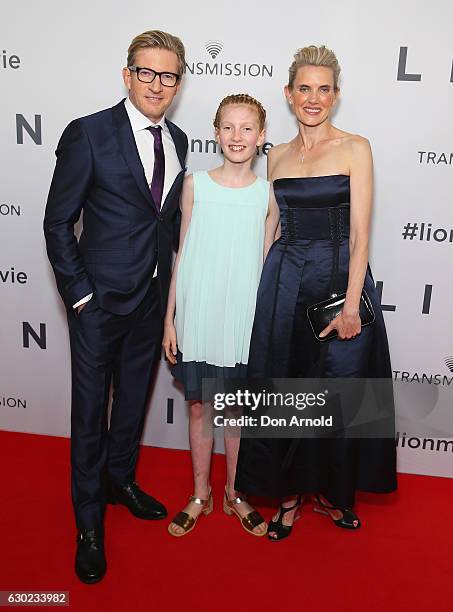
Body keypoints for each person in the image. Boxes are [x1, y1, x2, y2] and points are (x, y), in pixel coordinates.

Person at [235, 46, 397, 541]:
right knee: (286, 390)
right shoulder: (276, 155)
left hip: (338, 280)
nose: (313, 97)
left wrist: (352, 304)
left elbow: (363, 234)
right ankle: (287, 498)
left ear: (336, 95)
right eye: (304, 88)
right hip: (285, 282)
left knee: (340, 392)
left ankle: (332, 493)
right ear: (288, 94)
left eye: (323, 88)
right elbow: (273, 227)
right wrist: (254, 291)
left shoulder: (355, 147)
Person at [44, 30, 188, 582]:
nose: (157, 84)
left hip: (151, 298)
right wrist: (79, 295)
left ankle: (120, 480)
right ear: (127, 75)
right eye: (147, 73)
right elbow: (58, 222)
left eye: (168, 75)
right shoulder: (88, 133)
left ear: (178, 83)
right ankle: (88, 523)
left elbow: (166, 223)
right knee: (89, 415)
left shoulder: (176, 138)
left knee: (133, 401)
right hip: (98, 302)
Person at [163, 94, 279, 537]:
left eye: (247, 128)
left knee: (234, 413)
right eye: (228, 127)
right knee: (200, 409)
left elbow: (267, 263)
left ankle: (234, 491)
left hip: (242, 322)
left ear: (262, 137)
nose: (237, 137)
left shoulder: (267, 195)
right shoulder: (195, 185)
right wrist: (170, 318)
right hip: (198, 317)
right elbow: (183, 252)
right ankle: (200, 494)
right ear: (215, 132)